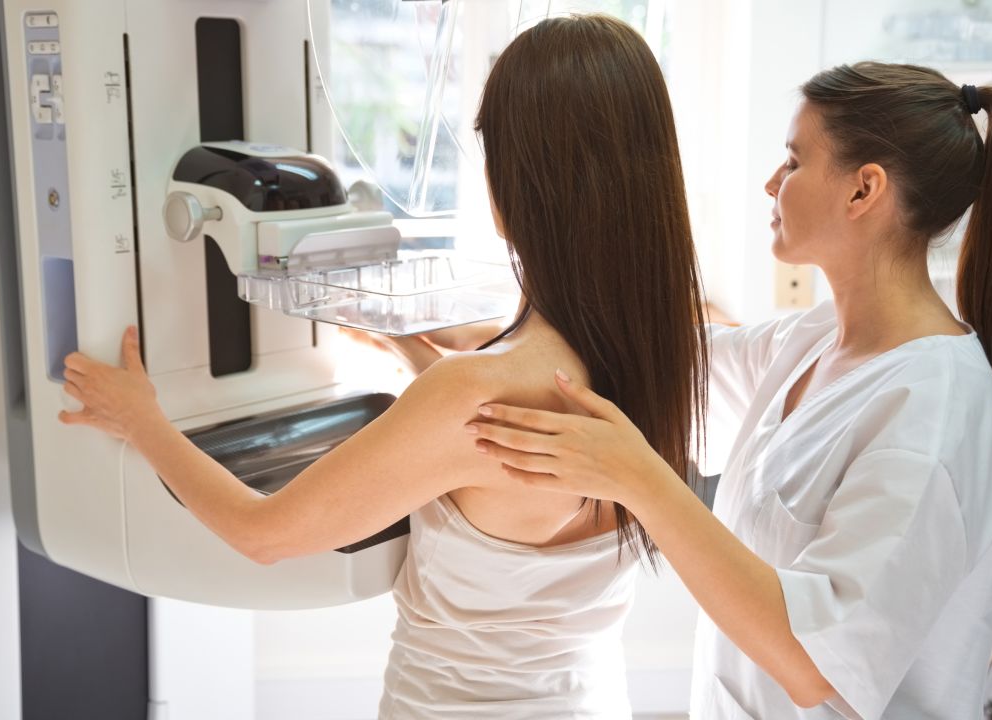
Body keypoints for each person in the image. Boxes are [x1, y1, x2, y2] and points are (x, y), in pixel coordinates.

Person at [55, 14, 707, 719]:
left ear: (518, 186)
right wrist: (406, 344)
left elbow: (263, 533)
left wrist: (142, 419)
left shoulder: (473, 393)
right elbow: (505, 434)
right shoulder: (654, 355)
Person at [470, 62, 992, 719]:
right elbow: (670, 357)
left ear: (864, 190)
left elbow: (813, 666)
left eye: (793, 162)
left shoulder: (930, 417)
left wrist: (642, 479)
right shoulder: (818, 342)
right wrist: (445, 338)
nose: (771, 183)